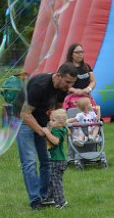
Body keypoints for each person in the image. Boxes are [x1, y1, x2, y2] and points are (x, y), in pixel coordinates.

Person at [16, 63, 78, 209]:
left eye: (72, 83)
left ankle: (45, 197)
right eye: (68, 82)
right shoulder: (40, 86)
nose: (69, 86)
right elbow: (25, 113)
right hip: (24, 120)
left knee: (47, 160)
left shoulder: (63, 88)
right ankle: (35, 201)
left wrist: (56, 126)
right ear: (58, 76)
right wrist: (43, 132)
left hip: (42, 121)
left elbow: (58, 110)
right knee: (30, 162)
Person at [43, 109, 70, 209]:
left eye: (53, 120)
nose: (50, 122)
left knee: (56, 182)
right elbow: (67, 129)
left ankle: (61, 202)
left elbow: (56, 141)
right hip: (56, 160)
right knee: (51, 180)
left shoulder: (57, 130)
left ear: (60, 123)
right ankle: (49, 198)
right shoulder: (60, 128)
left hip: (57, 161)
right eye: (50, 120)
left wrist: (47, 133)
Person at [64, 43, 97, 109]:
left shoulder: (86, 67)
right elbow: (62, 84)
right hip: (71, 99)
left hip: (86, 98)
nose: (80, 54)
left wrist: (88, 89)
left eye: (81, 52)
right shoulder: (65, 67)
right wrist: (74, 90)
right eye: (77, 52)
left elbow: (93, 81)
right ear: (71, 54)